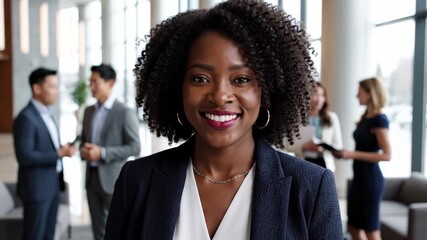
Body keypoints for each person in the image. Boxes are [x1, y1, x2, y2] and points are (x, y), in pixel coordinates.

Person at [105, 0, 343, 239]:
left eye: (241, 79)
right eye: (200, 78)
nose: (220, 96)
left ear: (266, 90)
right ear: (178, 88)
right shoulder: (136, 180)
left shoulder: (312, 187)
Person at [13, 67, 76, 240]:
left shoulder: (47, 113)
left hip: (51, 186)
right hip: (36, 190)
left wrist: (61, 149)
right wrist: (58, 153)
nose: (57, 91)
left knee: (48, 235)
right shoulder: (26, 117)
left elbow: (45, 147)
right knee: (35, 235)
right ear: (37, 88)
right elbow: (24, 156)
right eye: (52, 87)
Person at [80, 63, 141, 240]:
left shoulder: (124, 112)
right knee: (98, 231)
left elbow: (135, 147)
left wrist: (103, 153)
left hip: (113, 180)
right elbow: (84, 141)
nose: (91, 87)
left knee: (121, 229)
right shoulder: (88, 111)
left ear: (110, 83)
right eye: (90, 82)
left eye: (95, 82)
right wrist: (84, 150)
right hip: (91, 180)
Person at [333, 77, 391, 240]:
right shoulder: (366, 117)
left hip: (370, 181)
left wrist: (352, 154)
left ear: (370, 94)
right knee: (353, 227)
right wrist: (346, 153)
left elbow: (387, 155)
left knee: (372, 231)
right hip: (359, 179)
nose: (356, 96)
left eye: (359, 93)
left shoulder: (380, 119)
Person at [285, 82, 343, 171]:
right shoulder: (297, 118)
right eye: (315, 94)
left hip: (324, 165)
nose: (319, 99)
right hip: (303, 164)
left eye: (322, 95)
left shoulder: (332, 118)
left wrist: (325, 147)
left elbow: (338, 146)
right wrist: (304, 147)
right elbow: (288, 146)